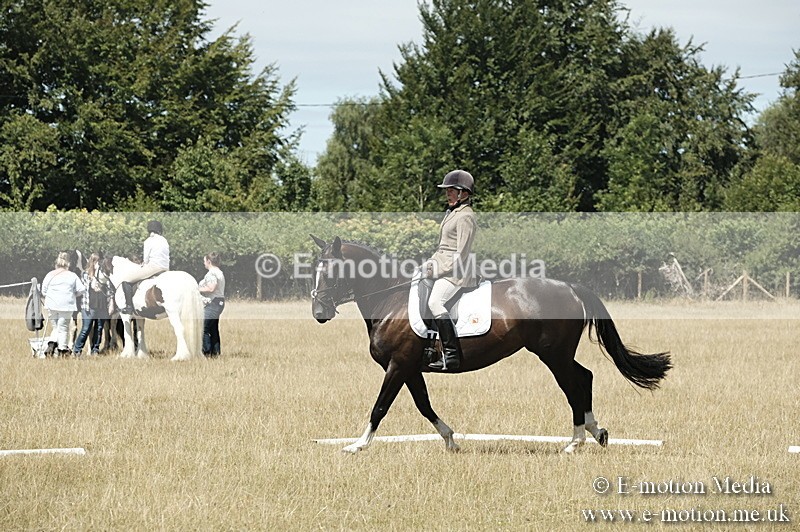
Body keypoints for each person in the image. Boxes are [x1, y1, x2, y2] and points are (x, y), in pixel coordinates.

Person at [421, 169, 478, 371]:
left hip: (457, 272)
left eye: (452, 190)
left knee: (435, 302)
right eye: (447, 191)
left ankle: (451, 355)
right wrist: (427, 265)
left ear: (464, 193)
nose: (448, 194)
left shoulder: (465, 217)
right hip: (443, 265)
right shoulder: (453, 213)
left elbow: (460, 254)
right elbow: (443, 248)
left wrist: (436, 270)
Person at [119, 220, 170, 314]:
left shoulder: (148, 241)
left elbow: (146, 259)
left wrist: (143, 264)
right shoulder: (164, 240)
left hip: (154, 267)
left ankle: (129, 306)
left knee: (126, 280)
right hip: (166, 267)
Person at [41, 251, 85, 357]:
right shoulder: (72, 275)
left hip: (51, 304)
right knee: (63, 327)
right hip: (66, 304)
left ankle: (51, 345)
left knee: (56, 327)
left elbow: (43, 291)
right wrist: (74, 294)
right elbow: (82, 289)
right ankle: (62, 349)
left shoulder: (49, 275)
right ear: (68, 263)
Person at [73, 252, 108, 356]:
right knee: (86, 328)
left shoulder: (104, 275)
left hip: (101, 304)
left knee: (99, 329)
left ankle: (95, 349)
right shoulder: (85, 274)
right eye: (97, 261)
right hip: (88, 305)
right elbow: (85, 287)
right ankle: (77, 349)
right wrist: (94, 278)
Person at [198, 252, 225, 357]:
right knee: (213, 329)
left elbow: (211, 288)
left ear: (209, 261)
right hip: (219, 302)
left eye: (204, 261)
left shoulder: (211, 273)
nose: (204, 263)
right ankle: (215, 353)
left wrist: (196, 289)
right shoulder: (219, 272)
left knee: (204, 328)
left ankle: (206, 352)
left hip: (212, 303)